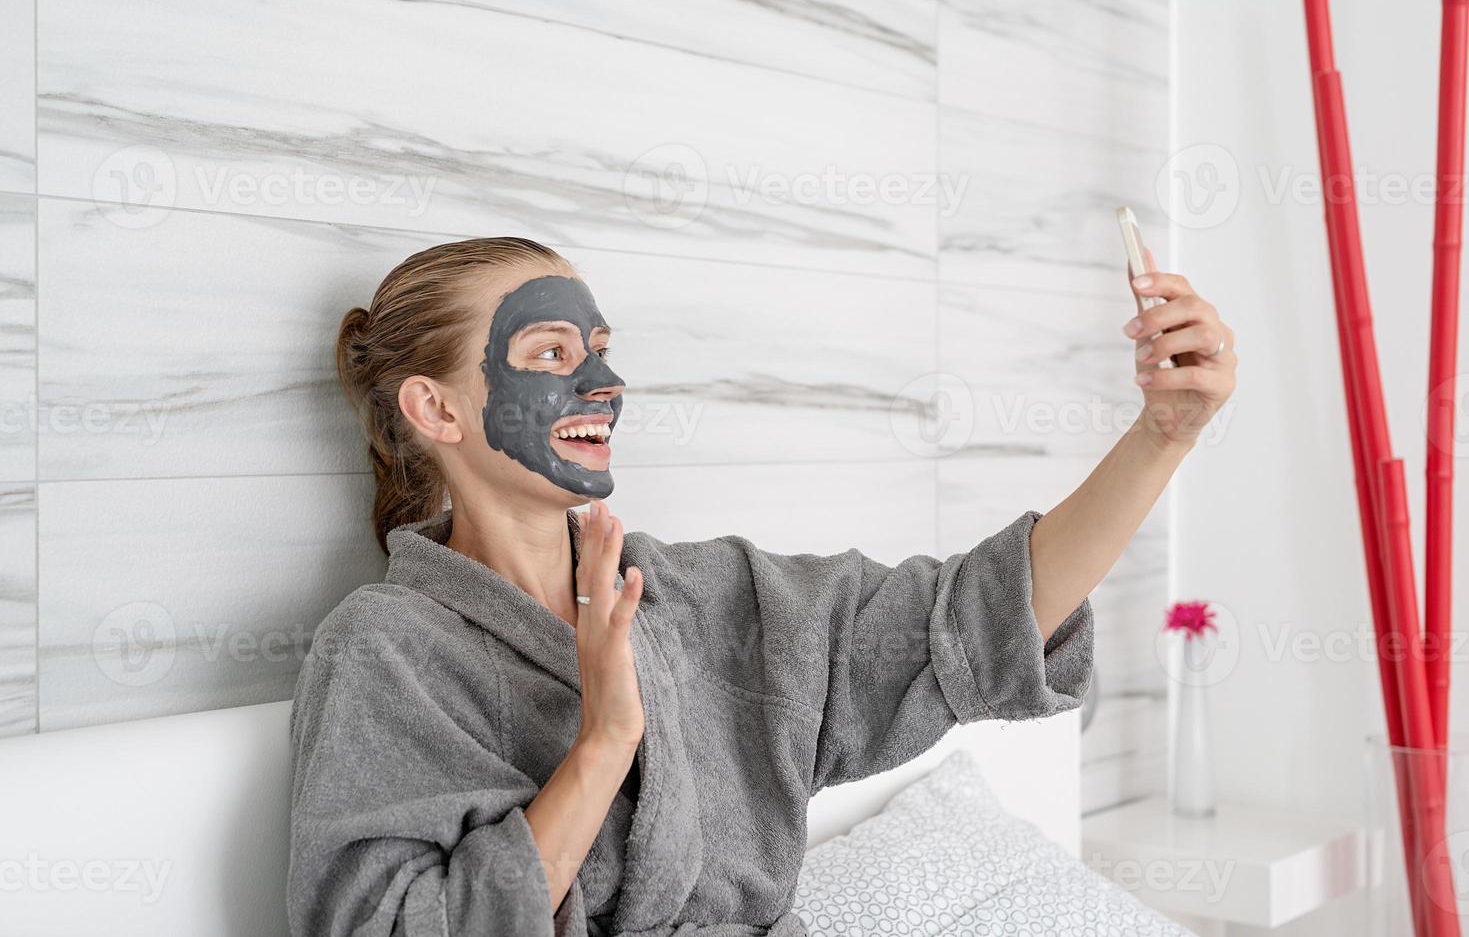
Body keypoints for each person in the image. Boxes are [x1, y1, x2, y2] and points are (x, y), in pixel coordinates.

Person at [287, 236, 1236, 936]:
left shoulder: (707, 597)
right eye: (551, 354)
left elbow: (974, 617)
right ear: (434, 406)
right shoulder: (386, 650)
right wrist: (605, 741)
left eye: (603, 349)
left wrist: (1165, 432)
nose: (605, 382)